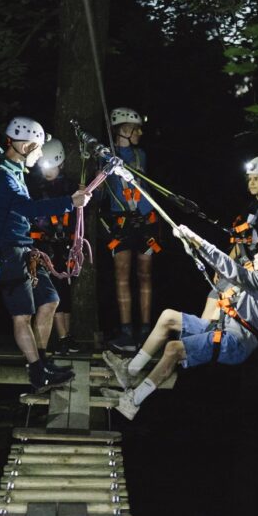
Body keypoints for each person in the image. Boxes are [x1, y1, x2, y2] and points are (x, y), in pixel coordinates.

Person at [102, 226, 258, 420]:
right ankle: (131, 372)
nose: (256, 256)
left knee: (174, 349)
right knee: (168, 317)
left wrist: (197, 239)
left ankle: (133, 402)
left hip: (235, 342)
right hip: (225, 328)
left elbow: (229, 267)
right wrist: (191, 244)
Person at [0, 117, 91, 391]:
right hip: (7, 251)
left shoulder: (13, 169)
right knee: (22, 315)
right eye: (39, 148)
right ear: (28, 145)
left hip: (24, 248)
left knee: (51, 300)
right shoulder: (0, 175)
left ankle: (41, 362)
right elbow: (27, 209)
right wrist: (69, 202)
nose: (41, 154)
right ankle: (38, 372)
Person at [200, 155, 258, 320]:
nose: (252, 183)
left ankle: (208, 338)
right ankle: (201, 336)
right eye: (250, 179)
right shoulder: (249, 207)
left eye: (257, 179)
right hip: (242, 264)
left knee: (226, 303)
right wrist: (222, 266)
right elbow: (240, 241)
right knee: (215, 294)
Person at [103, 107, 158, 353]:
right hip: (121, 223)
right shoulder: (106, 156)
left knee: (145, 274)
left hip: (146, 221)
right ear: (125, 129)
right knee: (122, 276)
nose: (140, 133)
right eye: (136, 129)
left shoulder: (141, 155)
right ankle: (126, 332)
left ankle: (146, 330)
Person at [29, 138, 80, 355]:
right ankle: (61, 338)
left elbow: (89, 200)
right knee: (54, 293)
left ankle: (65, 338)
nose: (47, 172)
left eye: (51, 166)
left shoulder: (70, 186)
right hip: (44, 246)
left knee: (65, 290)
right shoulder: (35, 187)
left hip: (65, 246)